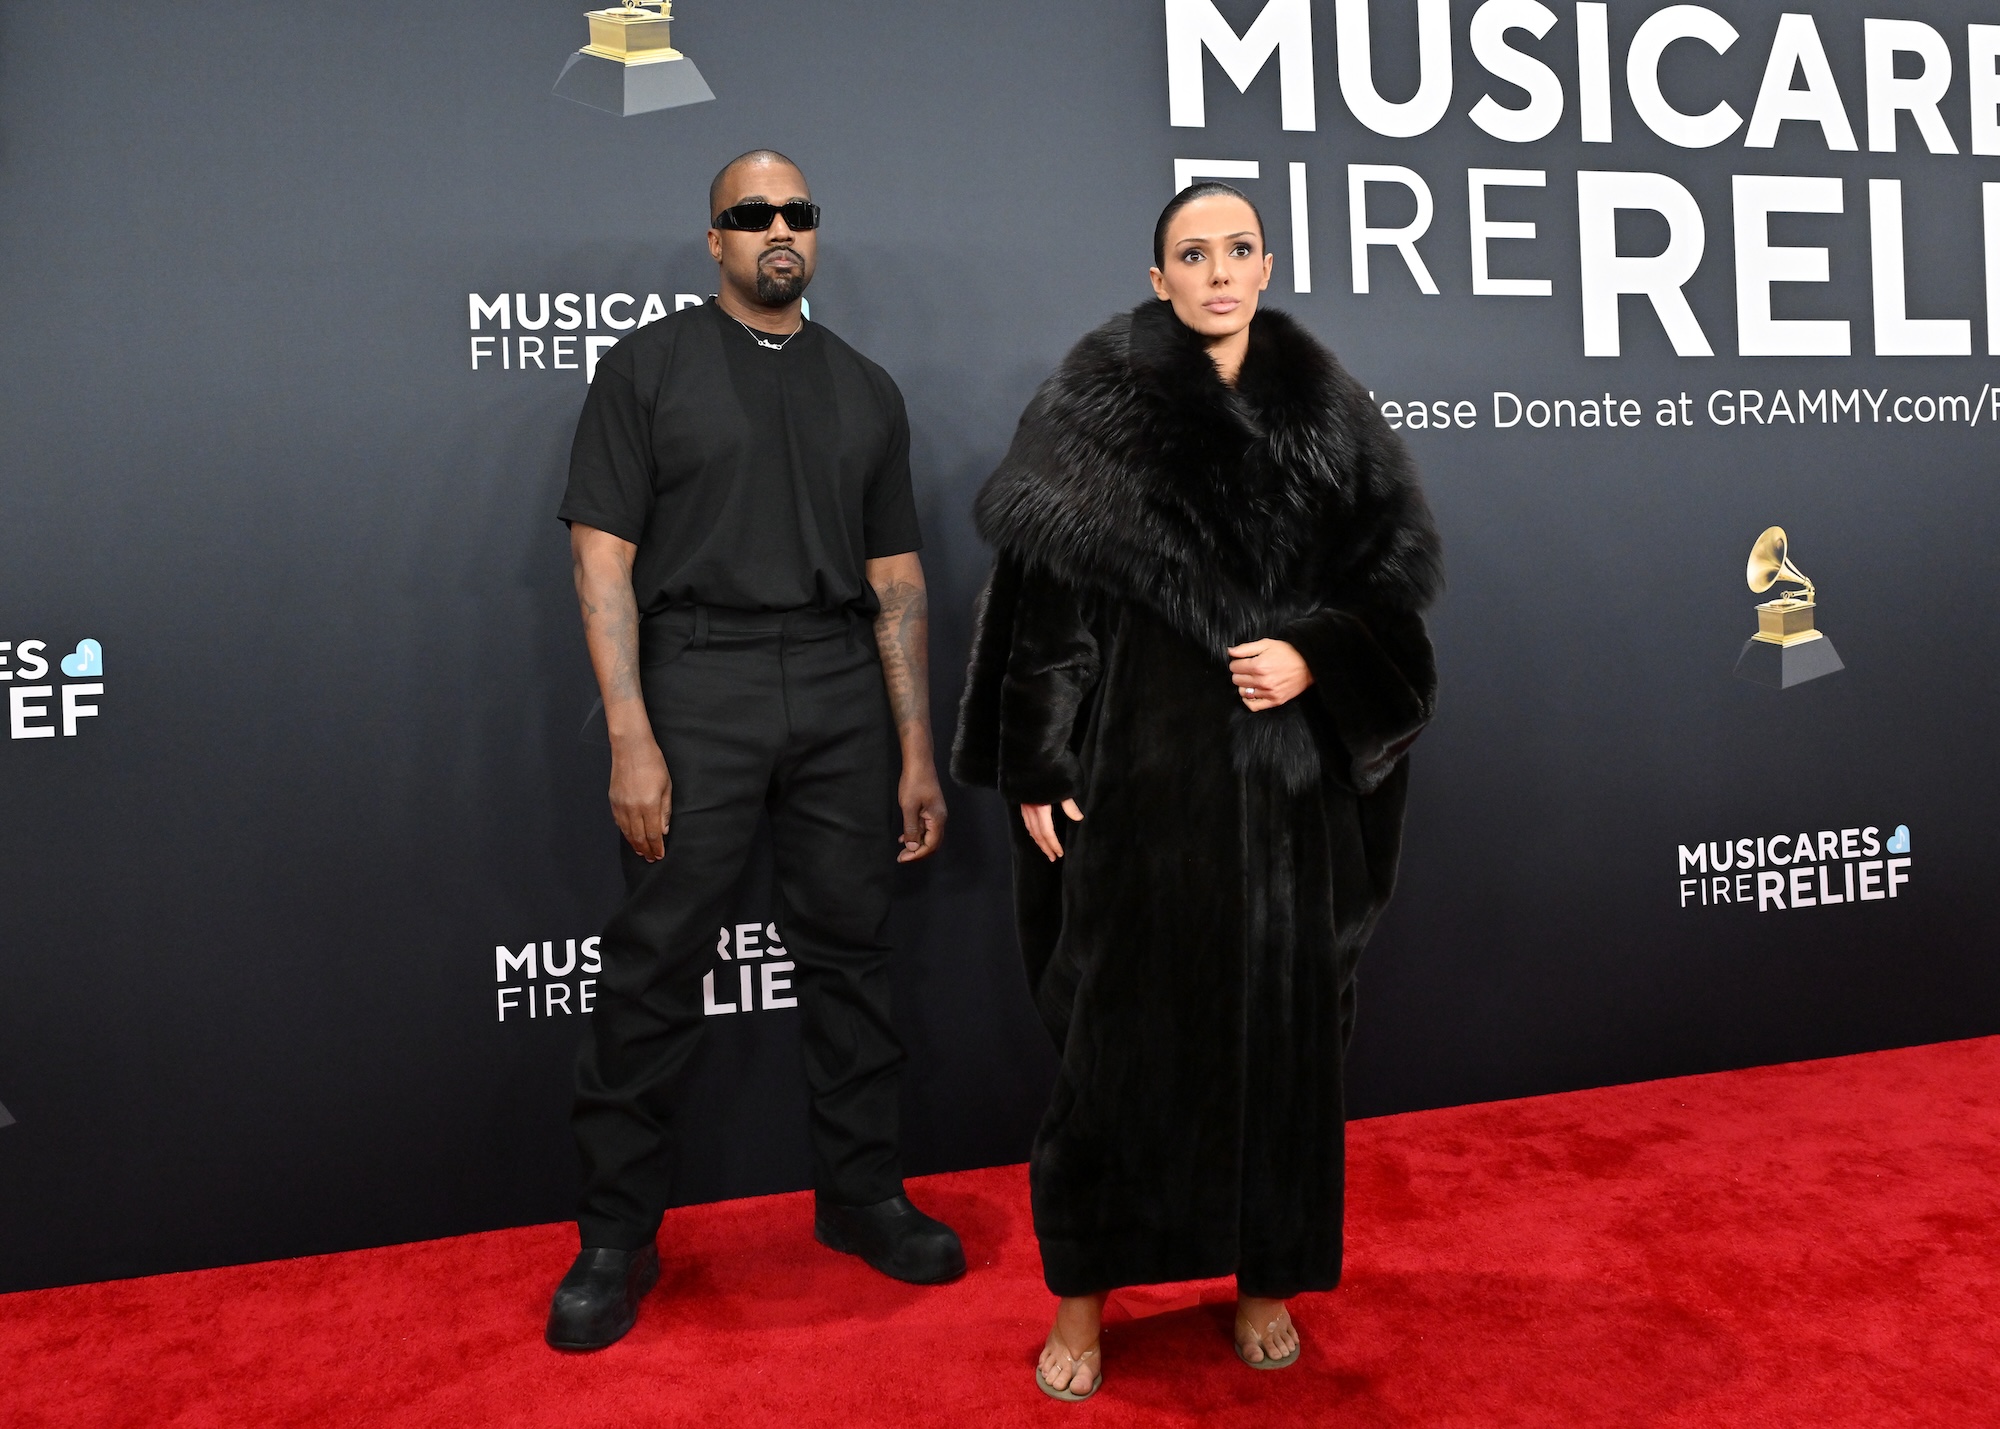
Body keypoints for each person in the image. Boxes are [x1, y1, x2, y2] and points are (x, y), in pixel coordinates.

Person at [952, 183, 1442, 1399]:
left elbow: (1391, 616)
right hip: (1142, 786)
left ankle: (1262, 1282)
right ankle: (1081, 1302)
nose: (1216, 271)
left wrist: (1312, 653)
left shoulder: (1332, 415)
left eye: (1236, 249)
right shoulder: (1091, 410)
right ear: (1156, 273)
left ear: (1265, 262)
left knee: (1282, 1051)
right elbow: (1045, 612)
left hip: (1285, 806)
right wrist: (1038, 759)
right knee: (1111, 1055)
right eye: (1191, 253)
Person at [544, 149, 963, 1352]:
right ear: (713, 238)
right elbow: (600, 562)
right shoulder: (648, 367)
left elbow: (895, 580)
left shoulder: (865, 387)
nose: (778, 228)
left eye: (797, 212)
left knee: (852, 953)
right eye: (751, 214)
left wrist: (914, 747)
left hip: (841, 686)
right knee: (653, 964)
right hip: (698, 682)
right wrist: (630, 732)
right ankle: (615, 1235)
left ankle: (862, 1198)